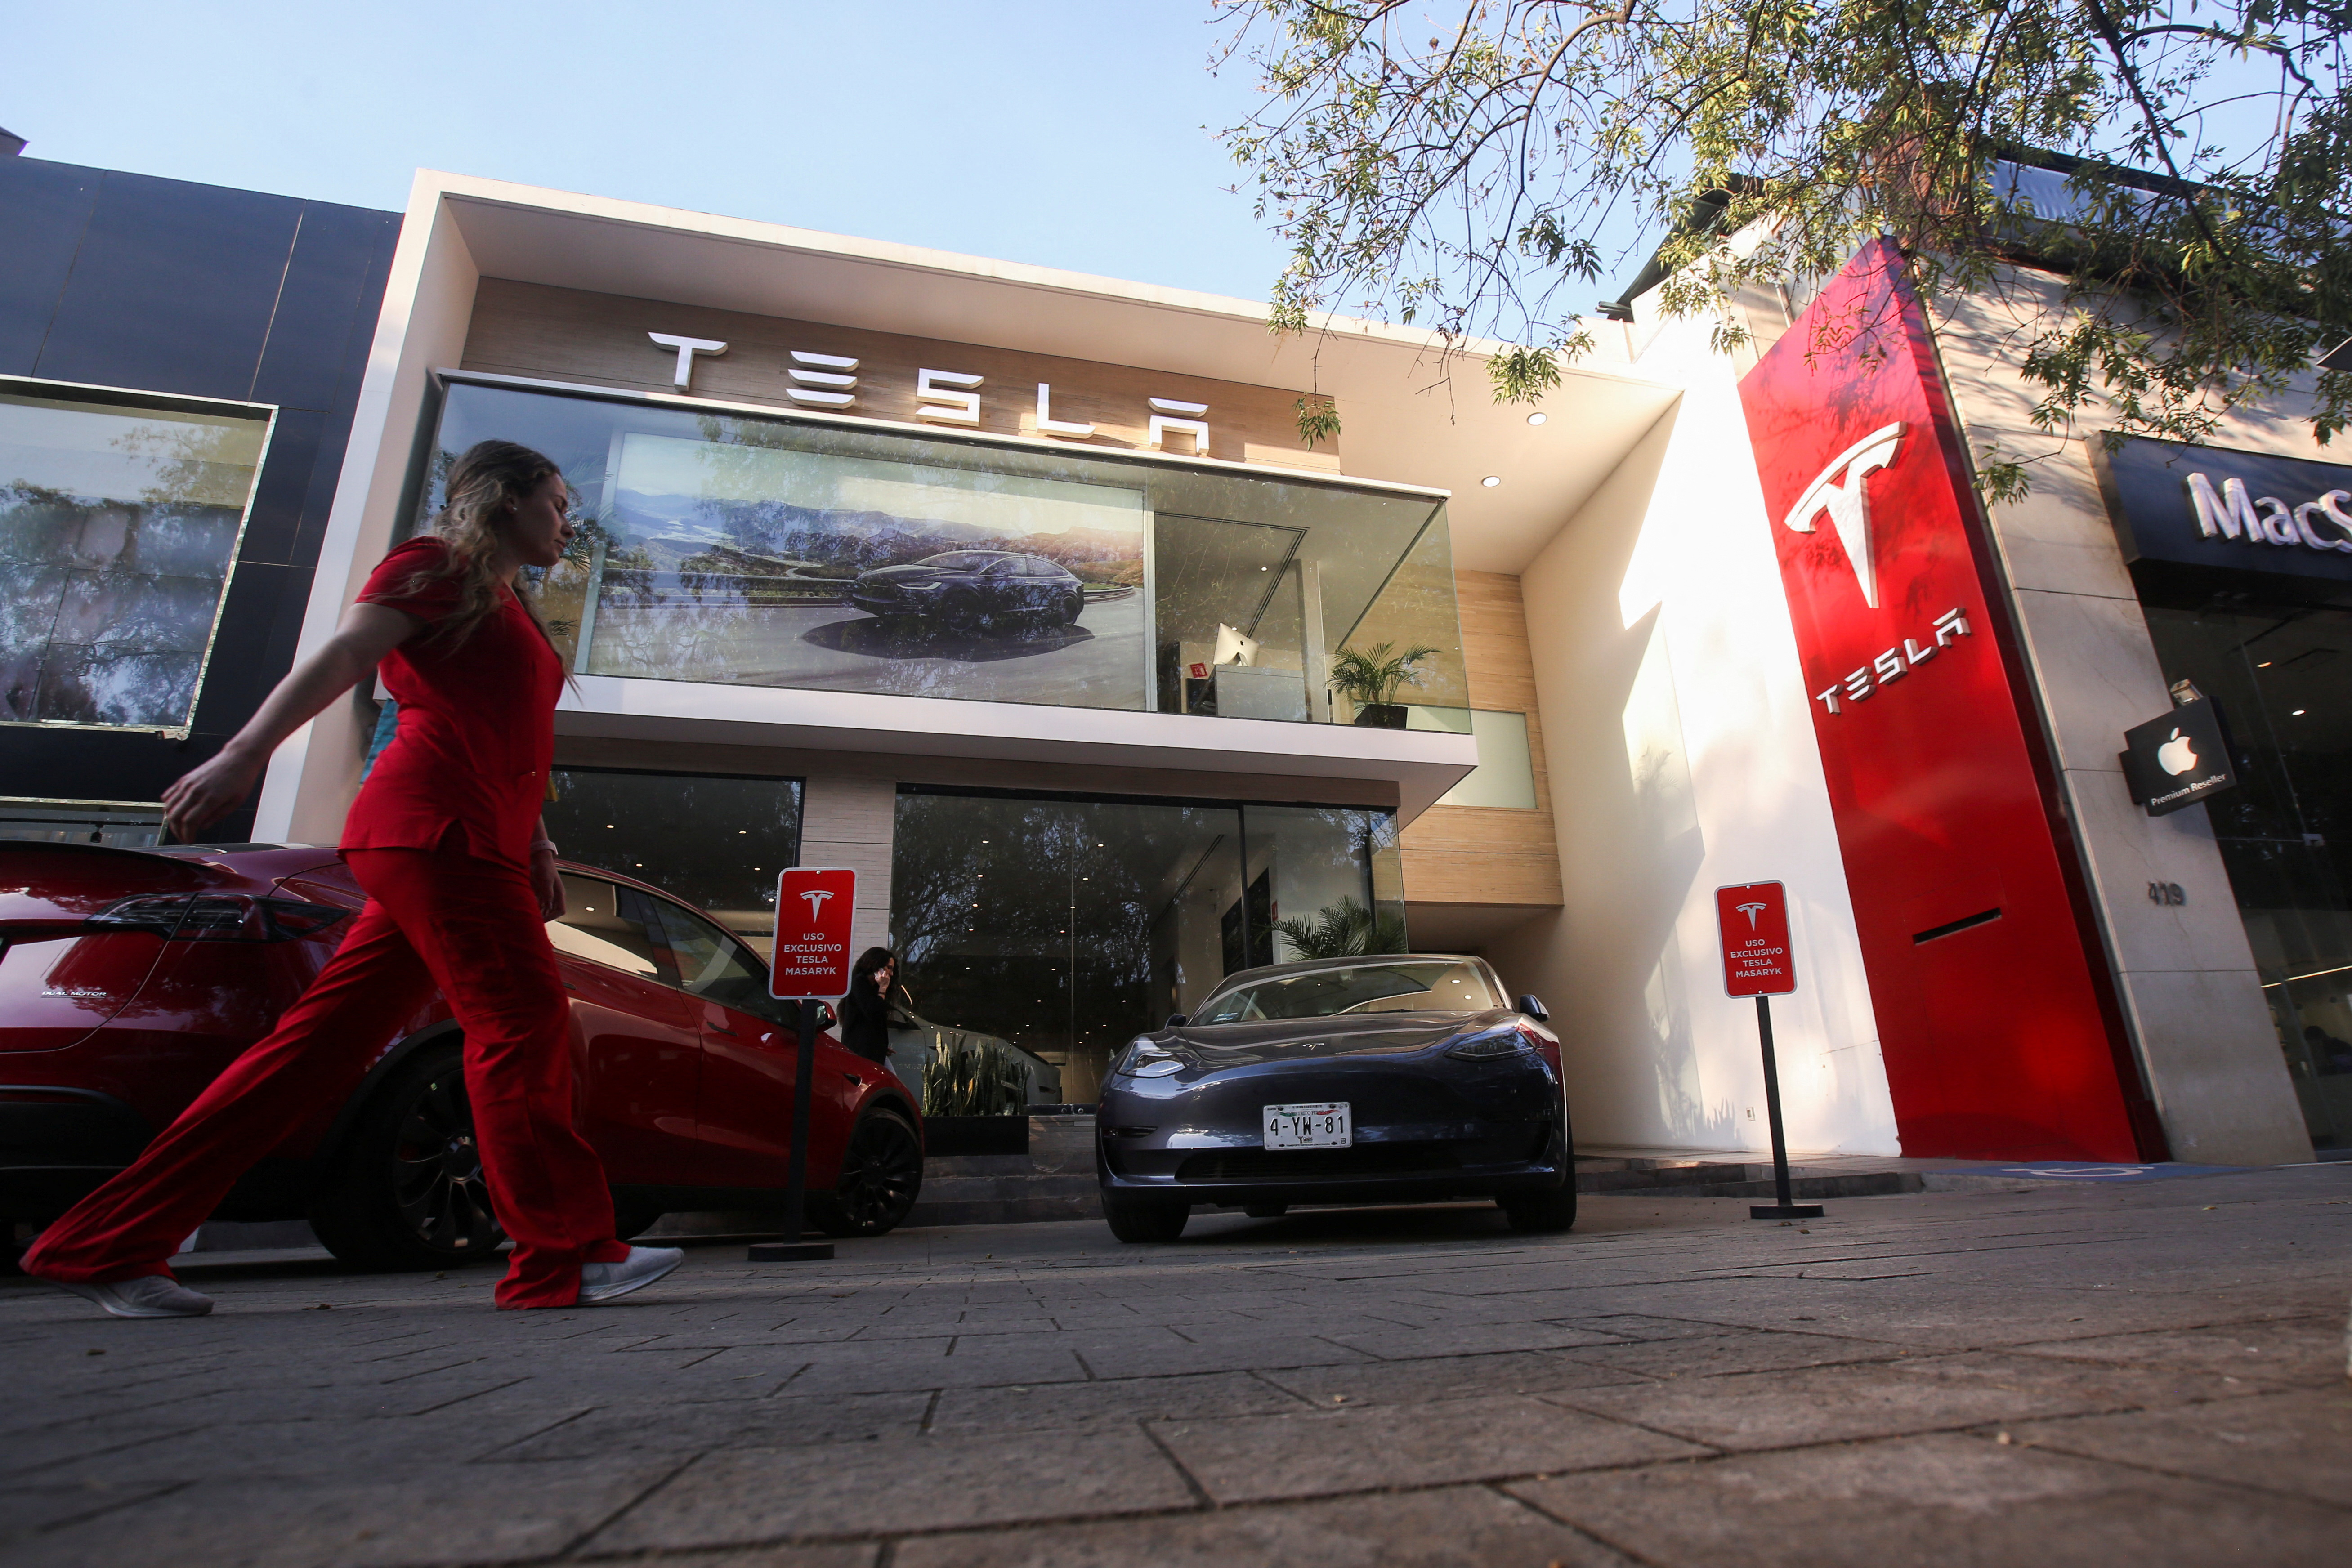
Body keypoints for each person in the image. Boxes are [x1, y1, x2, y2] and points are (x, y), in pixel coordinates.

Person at [23, 441, 682, 1318]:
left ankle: (110, 1243)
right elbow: (339, 658)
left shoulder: (505, 598)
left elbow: (504, 737)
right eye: (556, 503)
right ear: (503, 500)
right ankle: (565, 1253)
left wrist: (541, 845)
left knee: (307, 1059)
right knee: (523, 1026)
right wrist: (242, 754)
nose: (569, 521)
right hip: (436, 836)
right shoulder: (435, 565)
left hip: (473, 839)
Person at [837, 947, 898, 1065]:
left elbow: (877, 1021)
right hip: (861, 1053)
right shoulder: (859, 984)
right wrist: (883, 989)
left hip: (875, 1052)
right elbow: (873, 1012)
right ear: (877, 966)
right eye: (889, 968)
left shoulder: (873, 988)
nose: (891, 973)